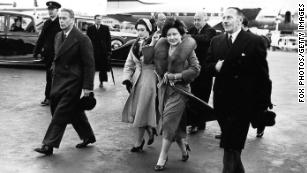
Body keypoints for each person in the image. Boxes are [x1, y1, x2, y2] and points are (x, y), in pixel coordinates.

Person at [205, 7, 272, 173]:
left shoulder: (254, 41)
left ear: (240, 21)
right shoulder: (216, 41)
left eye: (229, 17)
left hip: (243, 104)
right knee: (233, 147)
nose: (225, 20)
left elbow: (263, 76)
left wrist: (263, 105)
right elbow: (206, 67)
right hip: (221, 103)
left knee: (230, 146)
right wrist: (216, 67)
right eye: (223, 17)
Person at [34, 8, 96, 155]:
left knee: (60, 113)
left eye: (64, 18)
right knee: (73, 111)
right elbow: (57, 57)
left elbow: (89, 64)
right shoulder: (58, 36)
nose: (61, 21)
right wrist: (53, 69)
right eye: (60, 18)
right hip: (58, 80)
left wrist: (88, 87)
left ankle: (48, 145)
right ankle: (88, 136)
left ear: (72, 20)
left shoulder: (82, 39)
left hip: (73, 83)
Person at [152, 18, 200, 171]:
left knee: (168, 122)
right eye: (169, 34)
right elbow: (151, 62)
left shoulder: (188, 48)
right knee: (176, 123)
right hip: (165, 90)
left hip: (181, 91)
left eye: (175, 34)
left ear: (181, 34)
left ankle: (162, 157)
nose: (172, 37)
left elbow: (196, 69)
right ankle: (184, 149)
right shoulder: (163, 47)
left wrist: (176, 76)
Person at [122, 18, 158, 152]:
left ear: (149, 30)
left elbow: (156, 61)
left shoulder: (156, 43)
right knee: (138, 110)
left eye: (143, 30)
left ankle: (138, 141)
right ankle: (149, 127)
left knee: (142, 110)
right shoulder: (135, 44)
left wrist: (152, 44)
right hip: (137, 79)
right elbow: (129, 63)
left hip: (149, 79)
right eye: (138, 30)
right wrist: (126, 78)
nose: (140, 32)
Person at [187, 12, 216, 134]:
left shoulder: (211, 30)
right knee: (192, 96)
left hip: (205, 71)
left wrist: (190, 37)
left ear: (205, 19)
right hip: (193, 69)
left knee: (202, 96)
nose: (196, 22)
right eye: (194, 20)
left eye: (199, 20)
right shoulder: (193, 29)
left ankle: (200, 123)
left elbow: (206, 39)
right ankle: (194, 122)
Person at [33, 1, 62, 106]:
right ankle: (48, 97)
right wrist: (36, 51)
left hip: (59, 55)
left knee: (59, 77)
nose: (50, 11)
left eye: (52, 9)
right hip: (49, 55)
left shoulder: (61, 22)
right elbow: (41, 38)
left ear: (57, 10)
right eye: (49, 9)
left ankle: (58, 99)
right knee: (49, 77)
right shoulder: (47, 23)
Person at [242, 17, 266, 138]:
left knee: (256, 106)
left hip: (254, 79)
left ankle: (260, 126)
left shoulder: (256, 40)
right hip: (238, 79)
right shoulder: (234, 38)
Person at [87, 15, 112, 88]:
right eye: (97, 19)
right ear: (94, 20)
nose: (99, 21)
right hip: (93, 51)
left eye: (100, 19)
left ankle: (101, 82)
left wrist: (109, 50)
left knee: (102, 68)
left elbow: (108, 40)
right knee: (92, 67)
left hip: (103, 51)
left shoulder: (105, 28)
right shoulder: (90, 28)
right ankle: (90, 82)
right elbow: (87, 40)